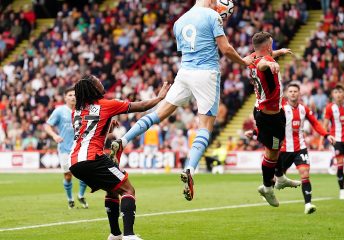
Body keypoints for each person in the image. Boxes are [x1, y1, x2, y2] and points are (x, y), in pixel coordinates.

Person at [109, 0, 254, 201]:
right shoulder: (211, 16)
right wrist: (244, 62)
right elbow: (226, 49)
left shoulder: (179, 21)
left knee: (159, 114)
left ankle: (123, 140)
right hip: (206, 73)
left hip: (185, 72)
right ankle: (189, 169)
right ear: (212, 2)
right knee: (205, 126)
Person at [69, 74, 169, 240]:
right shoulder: (107, 104)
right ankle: (129, 235)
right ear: (94, 88)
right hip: (93, 158)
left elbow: (88, 133)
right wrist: (159, 97)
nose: (101, 82)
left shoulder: (76, 112)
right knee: (128, 189)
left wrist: (108, 124)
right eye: (97, 81)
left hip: (75, 162)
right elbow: (142, 106)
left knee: (112, 190)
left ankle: (115, 234)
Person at [245, 31, 300, 207]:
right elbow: (263, 63)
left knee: (277, 147)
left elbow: (262, 58)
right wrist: (271, 63)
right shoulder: (264, 62)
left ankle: (281, 177)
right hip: (270, 117)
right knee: (273, 152)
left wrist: (279, 52)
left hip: (268, 110)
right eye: (272, 45)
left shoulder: (252, 57)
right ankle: (268, 187)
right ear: (268, 46)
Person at [275, 83, 335, 214]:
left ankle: (308, 204)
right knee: (276, 178)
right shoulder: (282, 109)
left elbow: (315, 123)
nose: (293, 93)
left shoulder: (304, 109)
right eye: (290, 91)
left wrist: (326, 135)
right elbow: (270, 124)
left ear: (299, 94)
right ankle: (267, 189)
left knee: (305, 174)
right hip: (284, 149)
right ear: (286, 94)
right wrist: (256, 131)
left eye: (295, 91)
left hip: (300, 148)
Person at [44, 87, 88, 209]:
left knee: (84, 174)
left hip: (80, 147)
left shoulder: (82, 110)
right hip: (64, 148)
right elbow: (47, 126)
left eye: (74, 95)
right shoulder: (59, 111)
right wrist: (54, 135)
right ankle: (70, 199)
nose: (73, 97)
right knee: (68, 176)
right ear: (65, 98)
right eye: (69, 95)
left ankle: (80, 195)